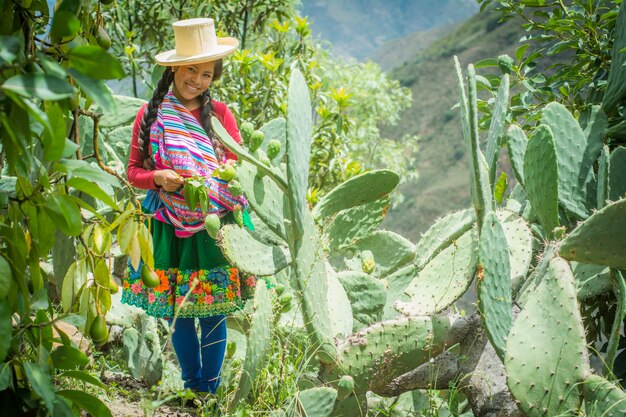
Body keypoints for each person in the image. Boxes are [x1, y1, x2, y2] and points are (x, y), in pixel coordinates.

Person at [123, 17, 253, 396]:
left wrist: (225, 174)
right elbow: (133, 171)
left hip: (215, 223)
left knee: (213, 310)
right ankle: (192, 387)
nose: (197, 80)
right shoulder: (150, 116)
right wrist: (159, 178)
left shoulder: (221, 116)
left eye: (207, 74)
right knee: (177, 311)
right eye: (191, 69)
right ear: (174, 69)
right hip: (167, 221)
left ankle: (208, 392)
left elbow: (239, 165)